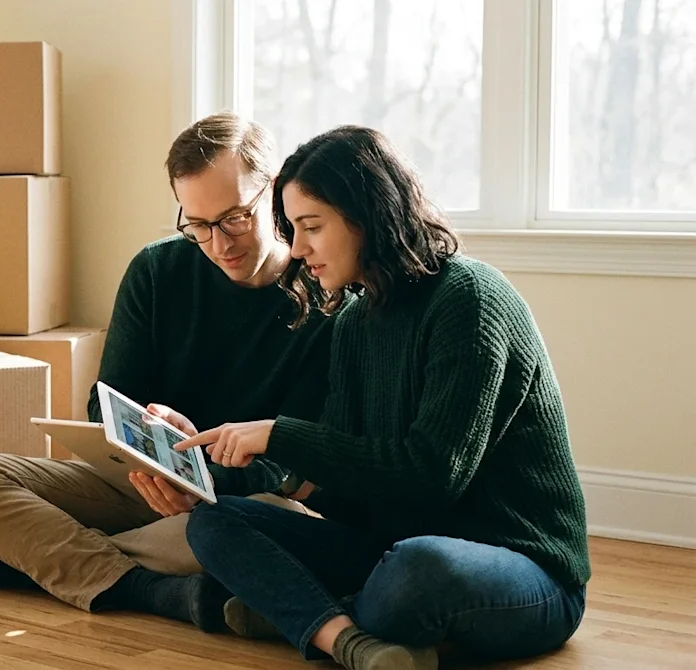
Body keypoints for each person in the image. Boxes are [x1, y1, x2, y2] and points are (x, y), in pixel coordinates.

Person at [160, 125, 591, 670]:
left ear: (370, 216)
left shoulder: (471, 299)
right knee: (217, 522)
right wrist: (239, 468)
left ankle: (300, 613)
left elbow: (430, 475)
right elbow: (344, 490)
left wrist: (278, 432)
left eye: (312, 226)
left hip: (524, 572)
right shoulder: (354, 321)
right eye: (292, 228)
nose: (297, 248)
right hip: (391, 550)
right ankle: (349, 637)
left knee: (416, 571)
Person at [0, 111, 338, 630]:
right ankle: (153, 590)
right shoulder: (157, 269)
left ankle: (38, 559)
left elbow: (295, 460)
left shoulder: (328, 298)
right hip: (139, 484)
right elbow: (105, 404)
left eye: (235, 217)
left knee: (282, 526)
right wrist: (145, 435)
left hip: (234, 502)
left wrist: (208, 480)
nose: (220, 244)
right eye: (197, 225)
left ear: (277, 190)